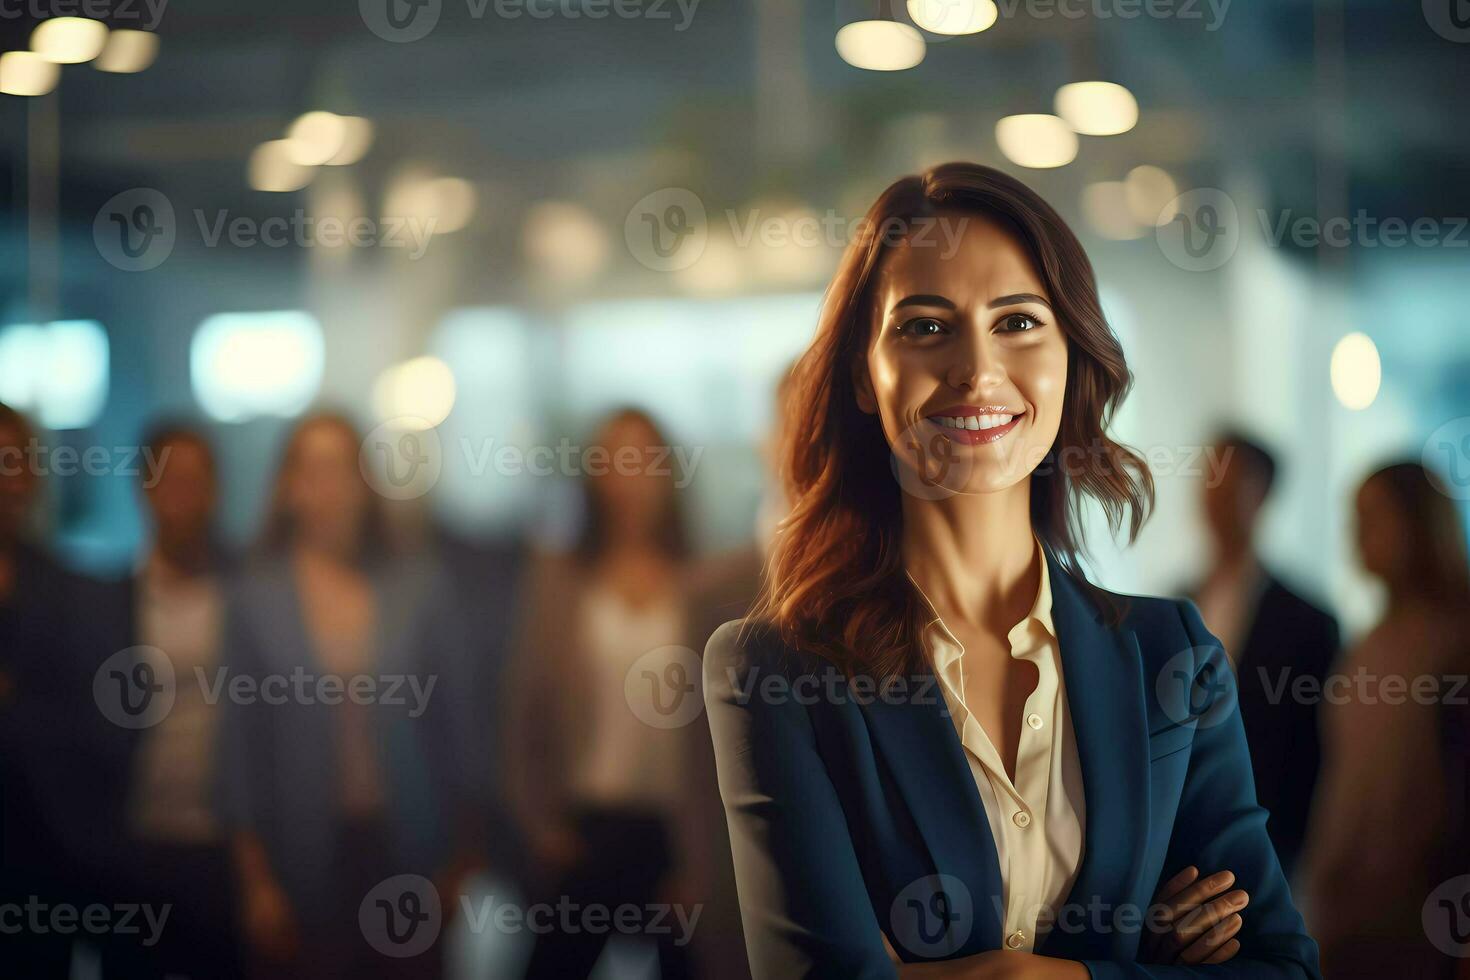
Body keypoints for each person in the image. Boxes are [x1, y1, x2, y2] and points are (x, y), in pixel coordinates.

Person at [702, 163, 1321, 978]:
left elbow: (1280, 969)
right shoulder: (776, 672)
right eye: (925, 327)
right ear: (862, 373)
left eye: (1018, 322)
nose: (976, 369)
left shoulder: (1170, 655)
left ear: (1072, 355)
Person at [214, 412, 481, 979]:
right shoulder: (254, 598)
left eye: (340, 468)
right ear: (286, 488)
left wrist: (464, 859)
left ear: (365, 483)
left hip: (410, 848)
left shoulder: (418, 587)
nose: (327, 486)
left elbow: (458, 729)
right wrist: (255, 881)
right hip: (300, 856)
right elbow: (239, 751)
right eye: (310, 469)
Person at [504, 407, 700, 979]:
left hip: (676, 829)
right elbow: (523, 716)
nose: (630, 477)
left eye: (644, 460)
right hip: (586, 825)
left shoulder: (705, 583)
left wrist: (709, 859)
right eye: (614, 460)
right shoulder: (561, 581)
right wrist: (542, 828)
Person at [1301, 462, 1470, 979]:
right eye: (1355, 518)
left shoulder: (1456, 645)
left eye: (1374, 517)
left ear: (1419, 523)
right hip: (1347, 914)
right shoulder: (1368, 644)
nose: (1357, 535)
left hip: (1423, 921)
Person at [92, 422, 243, 979]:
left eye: (196, 479)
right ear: (143, 488)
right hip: (135, 847)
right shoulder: (105, 602)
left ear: (216, 490)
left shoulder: (247, 593)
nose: (184, 492)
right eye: (170, 478)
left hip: (225, 846)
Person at [1188, 431, 1340, 881]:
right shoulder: (1174, 606)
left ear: (1264, 495)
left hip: (1275, 850)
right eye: (1210, 481)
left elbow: (1317, 752)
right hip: (1183, 841)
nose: (1216, 498)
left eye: (1232, 484)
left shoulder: (1309, 622)